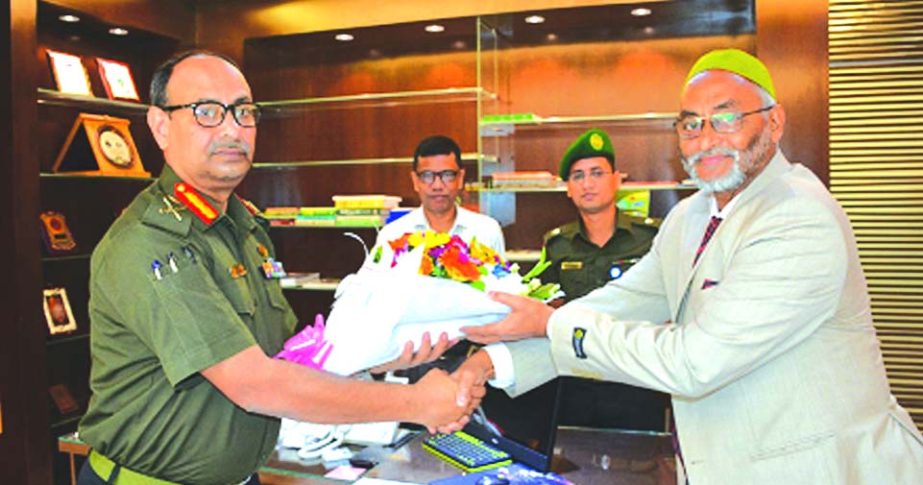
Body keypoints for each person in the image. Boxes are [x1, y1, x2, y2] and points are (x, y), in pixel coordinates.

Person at [457, 48, 923, 483]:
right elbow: (624, 303)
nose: (707, 139)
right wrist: (496, 361)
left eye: (727, 118)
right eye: (691, 124)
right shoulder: (690, 215)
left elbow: (694, 362)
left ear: (775, 122)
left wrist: (553, 323)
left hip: (815, 469)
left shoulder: (797, 217)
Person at [77, 50, 482, 485]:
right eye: (207, 112)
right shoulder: (152, 241)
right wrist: (414, 403)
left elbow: (289, 356)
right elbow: (254, 383)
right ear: (160, 126)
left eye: (244, 112)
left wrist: (381, 354)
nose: (232, 129)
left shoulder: (244, 227)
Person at [543, 128, 668, 431]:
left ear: (616, 180)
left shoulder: (652, 237)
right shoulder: (557, 244)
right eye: (578, 176)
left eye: (597, 173)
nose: (587, 184)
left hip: (635, 382)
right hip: (577, 383)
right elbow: (549, 310)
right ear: (568, 189)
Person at [374, 135, 505, 254]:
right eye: (427, 176)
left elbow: (502, 279)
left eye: (447, 175)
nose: (437, 186)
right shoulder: (392, 235)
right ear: (415, 180)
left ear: (460, 178)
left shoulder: (487, 231)